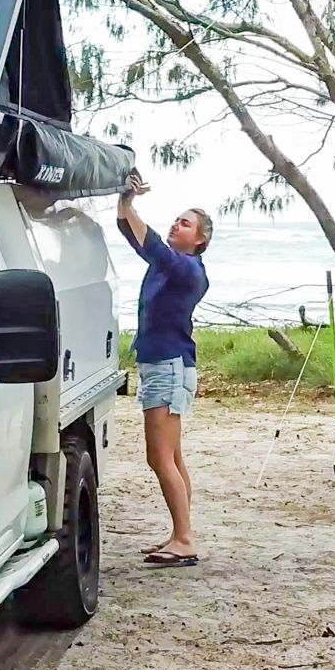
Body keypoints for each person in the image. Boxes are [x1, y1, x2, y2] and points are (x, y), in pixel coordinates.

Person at [116, 172, 211, 567]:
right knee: (172, 456)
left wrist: (133, 205)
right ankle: (180, 533)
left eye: (185, 223)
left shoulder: (187, 269)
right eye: (176, 219)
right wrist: (125, 203)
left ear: (200, 240)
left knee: (160, 457)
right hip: (165, 365)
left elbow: (152, 244)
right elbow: (132, 233)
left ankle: (185, 539)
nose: (176, 224)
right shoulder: (169, 265)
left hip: (170, 367)